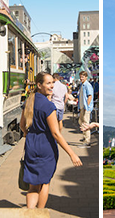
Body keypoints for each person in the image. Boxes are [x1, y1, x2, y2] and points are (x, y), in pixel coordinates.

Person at [20, 71, 82, 209]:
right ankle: (40, 213)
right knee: (45, 183)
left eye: (52, 83)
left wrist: (26, 134)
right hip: (46, 146)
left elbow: (22, 125)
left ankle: (30, 214)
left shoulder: (29, 101)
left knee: (33, 186)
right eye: (48, 83)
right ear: (39, 85)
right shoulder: (48, 107)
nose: (52, 86)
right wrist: (72, 153)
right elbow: (55, 133)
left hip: (31, 144)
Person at [78, 71, 94, 147]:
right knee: (81, 122)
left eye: (82, 77)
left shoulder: (87, 85)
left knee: (86, 124)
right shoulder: (82, 85)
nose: (81, 78)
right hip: (82, 107)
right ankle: (85, 137)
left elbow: (90, 96)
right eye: (80, 77)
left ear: (86, 77)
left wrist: (86, 107)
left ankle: (87, 141)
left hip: (85, 108)